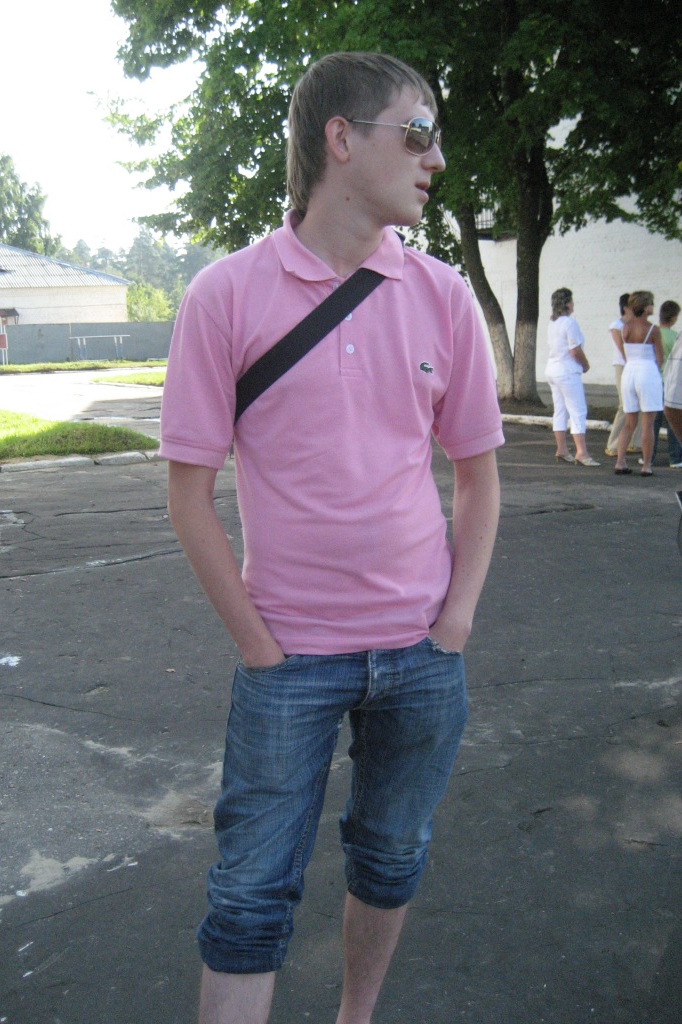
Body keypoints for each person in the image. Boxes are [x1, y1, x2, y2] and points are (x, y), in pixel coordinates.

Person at [159, 51, 504, 1024]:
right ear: (341, 139)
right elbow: (188, 495)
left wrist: (455, 624)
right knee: (248, 896)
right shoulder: (225, 295)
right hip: (290, 659)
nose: (437, 158)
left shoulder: (442, 294)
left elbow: (478, 475)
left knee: (391, 859)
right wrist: (257, 645)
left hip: (422, 655)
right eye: (418, 132)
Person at [544, 288, 600, 466]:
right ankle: (581, 452)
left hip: (553, 369)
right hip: (567, 371)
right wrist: (585, 364)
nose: (573, 304)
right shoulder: (570, 323)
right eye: (571, 301)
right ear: (567, 304)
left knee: (560, 410)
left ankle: (562, 449)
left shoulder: (552, 323)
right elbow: (574, 349)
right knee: (578, 410)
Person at [614, 291, 665, 476]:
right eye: (651, 303)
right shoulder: (653, 329)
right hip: (647, 371)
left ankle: (620, 462)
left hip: (629, 372)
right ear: (645, 307)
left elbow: (625, 353)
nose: (653, 306)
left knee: (629, 422)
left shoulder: (624, 328)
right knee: (648, 424)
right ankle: (646, 466)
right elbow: (660, 358)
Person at [604, 294, 641, 457]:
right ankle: (613, 445)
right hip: (623, 366)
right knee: (624, 405)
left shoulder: (637, 324)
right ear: (626, 308)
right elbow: (622, 347)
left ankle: (634, 442)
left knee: (640, 404)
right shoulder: (616, 325)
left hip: (636, 366)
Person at [652, 300, 682, 468]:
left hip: (653, 381)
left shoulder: (652, 333)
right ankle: (675, 458)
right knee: (673, 422)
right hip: (669, 382)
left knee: (653, 422)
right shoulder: (675, 336)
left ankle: (649, 456)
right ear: (674, 317)